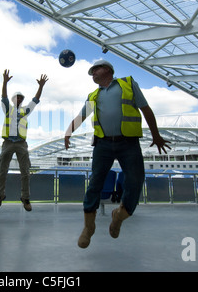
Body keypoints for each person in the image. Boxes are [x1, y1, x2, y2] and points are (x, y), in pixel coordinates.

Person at [64, 59, 170, 248]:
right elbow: (81, 115)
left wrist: (156, 135)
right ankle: (89, 227)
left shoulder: (128, 83)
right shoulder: (94, 95)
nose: (92, 74)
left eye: (94, 70)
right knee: (95, 182)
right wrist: (68, 131)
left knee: (136, 181)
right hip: (103, 144)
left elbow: (146, 110)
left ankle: (120, 215)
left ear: (107, 69)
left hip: (128, 143)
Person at [0, 69, 48, 211]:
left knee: (25, 172)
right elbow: (3, 96)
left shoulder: (25, 111)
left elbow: (35, 100)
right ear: (13, 100)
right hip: (8, 143)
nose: (19, 99)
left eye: (20, 98)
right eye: (16, 97)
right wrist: (4, 83)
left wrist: (40, 87)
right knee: (2, 171)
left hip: (21, 144)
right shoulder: (7, 109)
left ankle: (25, 198)